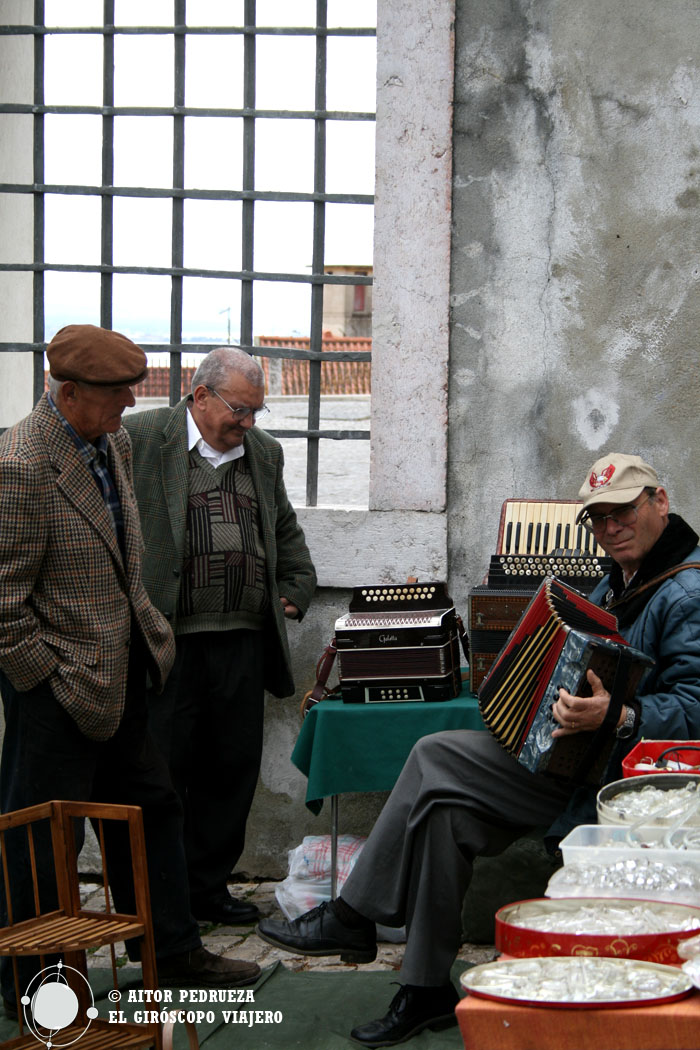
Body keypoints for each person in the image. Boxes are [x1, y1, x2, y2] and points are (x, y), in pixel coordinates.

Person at [257, 452, 700, 1047]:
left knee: (436, 753)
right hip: (577, 760)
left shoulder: (687, 590)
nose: (610, 527)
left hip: (621, 785)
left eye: (623, 511)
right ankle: (425, 988)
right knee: (446, 813)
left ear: (660, 502)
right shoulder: (618, 577)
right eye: (597, 518)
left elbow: (694, 709)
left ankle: (352, 915)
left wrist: (620, 714)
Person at [0, 324, 261, 1009]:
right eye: (115, 395)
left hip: (123, 674)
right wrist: (44, 679)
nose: (128, 407)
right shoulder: (23, 462)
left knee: (151, 812)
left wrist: (147, 640)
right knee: (45, 841)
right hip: (57, 687)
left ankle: (172, 956)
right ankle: (40, 987)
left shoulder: (109, 439)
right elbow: (2, 602)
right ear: (67, 392)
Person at [123, 346, 316, 926]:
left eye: (256, 411)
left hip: (242, 640)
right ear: (199, 395)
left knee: (230, 770)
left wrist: (296, 585)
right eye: (239, 409)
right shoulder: (138, 439)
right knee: (164, 772)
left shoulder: (263, 452)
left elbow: (282, 525)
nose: (248, 422)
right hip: (167, 643)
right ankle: (164, 902)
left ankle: (208, 890)